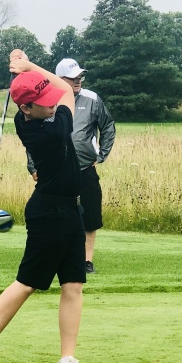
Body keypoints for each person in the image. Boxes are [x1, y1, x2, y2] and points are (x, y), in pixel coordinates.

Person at [0, 49, 87, 363]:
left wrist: (24, 70)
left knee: (73, 284)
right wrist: (30, 67)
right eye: (43, 101)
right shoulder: (51, 130)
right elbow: (65, 89)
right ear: (26, 108)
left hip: (71, 210)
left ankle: (68, 359)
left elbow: (53, 90)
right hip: (49, 213)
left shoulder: (28, 117)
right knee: (27, 283)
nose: (52, 102)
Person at [27, 58, 116, 274]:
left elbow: (108, 126)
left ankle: (86, 261)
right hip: (54, 171)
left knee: (90, 217)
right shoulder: (47, 101)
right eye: (73, 78)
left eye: (80, 77)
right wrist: (33, 166)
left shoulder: (92, 99)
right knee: (54, 214)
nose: (78, 81)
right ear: (59, 79)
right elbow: (34, 135)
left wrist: (101, 155)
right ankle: (54, 256)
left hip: (85, 168)